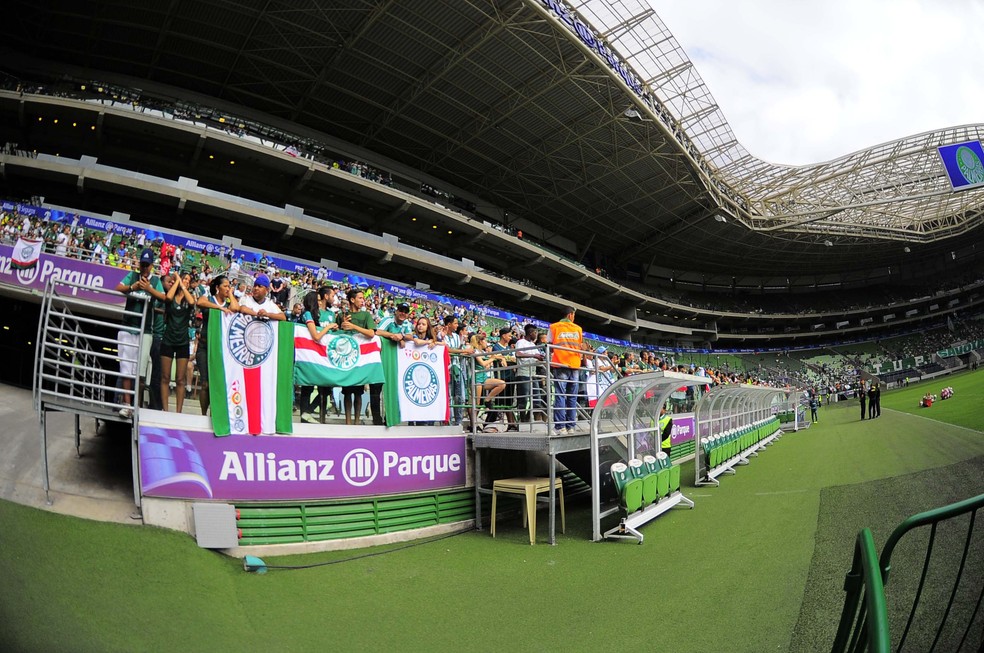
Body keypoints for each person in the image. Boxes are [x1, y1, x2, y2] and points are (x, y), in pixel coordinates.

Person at [113, 248, 167, 418]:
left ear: (151, 266)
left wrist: (149, 289)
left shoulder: (156, 281)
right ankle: (127, 405)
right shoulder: (132, 276)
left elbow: (164, 297)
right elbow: (118, 287)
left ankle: (136, 405)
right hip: (128, 327)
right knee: (126, 367)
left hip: (146, 331)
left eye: (147, 265)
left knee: (140, 371)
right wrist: (132, 287)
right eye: (142, 264)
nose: (144, 268)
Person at [194, 275, 241, 416]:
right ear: (217, 287)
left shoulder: (228, 304)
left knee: (217, 384)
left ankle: (214, 415)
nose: (227, 288)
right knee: (205, 383)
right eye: (225, 286)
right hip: (204, 347)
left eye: (229, 286)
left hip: (220, 350)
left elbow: (236, 307)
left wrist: (230, 294)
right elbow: (200, 302)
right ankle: (203, 414)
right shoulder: (209, 298)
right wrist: (220, 308)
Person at [338, 288, 381, 425]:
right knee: (346, 391)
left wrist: (353, 327)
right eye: (360, 298)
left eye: (363, 298)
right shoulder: (342, 315)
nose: (363, 300)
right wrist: (342, 325)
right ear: (352, 300)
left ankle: (356, 422)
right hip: (346, 357)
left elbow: (371, 333)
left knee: (358, 392)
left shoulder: (366, 315)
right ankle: (348, 421)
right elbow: (336, 332)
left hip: (361, 358)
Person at [298, 290, 337, 424]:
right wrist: (329, 327)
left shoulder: (313, 315)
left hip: (314, 355)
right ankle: (305, 414)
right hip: (307, 355)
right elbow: (316, 336)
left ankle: (306, 413)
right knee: (307, 386)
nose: (320, 302)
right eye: (318, 300)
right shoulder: (307, 314)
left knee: (324, 387)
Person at [160, 271, 196, 413]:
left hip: (182, 341)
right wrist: (177, 282)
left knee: (180, 379)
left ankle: (178, 412)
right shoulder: (171, 293)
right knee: (165, 377)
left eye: (188, 280)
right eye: (184, 278)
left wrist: (182, 285)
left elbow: (192, 302)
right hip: (168, 339)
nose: (185, 281)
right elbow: (168, 298)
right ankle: (165, 410)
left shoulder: (189, 297)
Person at [547, 306, 583, 435]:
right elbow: (579, 345)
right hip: (575, 365)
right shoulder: (578, 328)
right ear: (570, 315)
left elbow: (549, 344)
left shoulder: (553, 327)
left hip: (560, 363)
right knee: (572, 397)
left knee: (560, 395)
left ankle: (560, 427)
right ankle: (571, 427)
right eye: (574, 315)